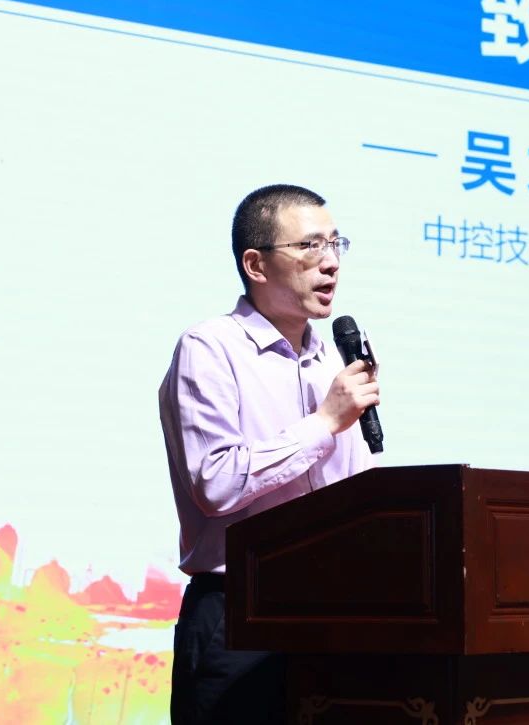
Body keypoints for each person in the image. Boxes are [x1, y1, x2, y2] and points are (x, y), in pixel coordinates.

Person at [159, 184, 379, 725]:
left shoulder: (332, 362)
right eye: (309, 246)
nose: (330, 262)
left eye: (335, 244)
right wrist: (324, 423)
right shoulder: (210, 348)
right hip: (240, 616)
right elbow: (216, 482)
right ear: (256, 264)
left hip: (334, 618)